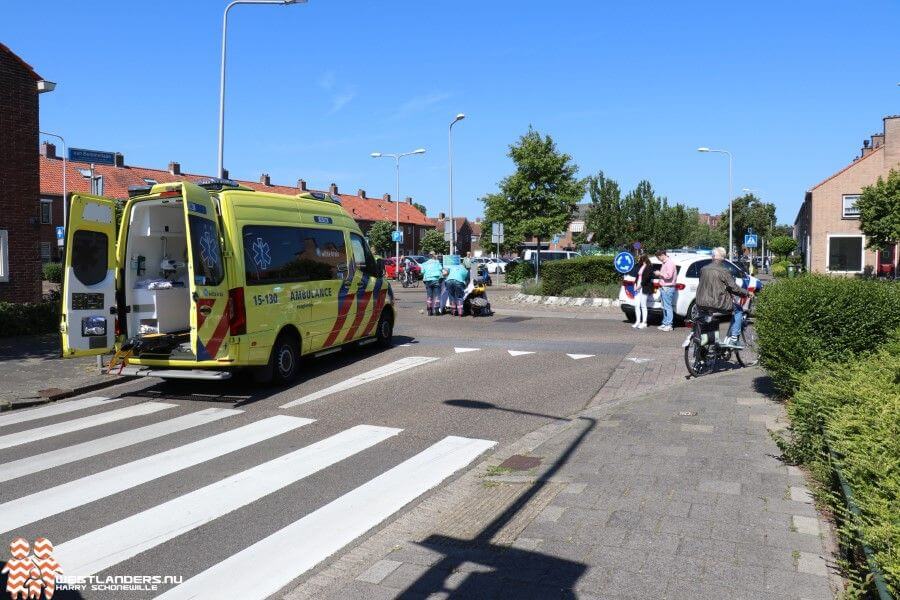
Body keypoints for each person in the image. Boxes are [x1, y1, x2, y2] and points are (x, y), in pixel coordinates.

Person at [695, 246, 753, 347]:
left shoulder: (703, 269)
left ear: (713, 257)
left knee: (706, 319)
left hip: (700, 302)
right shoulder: (724, 271)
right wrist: (747, 293)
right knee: (738, 310)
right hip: (717, 303)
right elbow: (734, 288)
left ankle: (708, 344)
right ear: (723, 258)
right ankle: (734, 338)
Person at [655, 249, 676, 332]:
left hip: (668, 287)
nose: (658, 259)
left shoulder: (669, 263)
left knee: (668, 307)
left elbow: (669, 276)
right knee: (664, 306)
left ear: (662, 255)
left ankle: (669, 324)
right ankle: (665, 323)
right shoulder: (664, 263)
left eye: (658, 257)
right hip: (664, 287)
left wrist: (659, 273)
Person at [632, 254, 653, 329]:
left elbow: (646, 279)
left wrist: (639, 286)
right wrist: (635, 284)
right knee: (636, 305)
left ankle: (644, 322)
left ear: (643, 259)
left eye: (639, 258)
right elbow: (638, 276)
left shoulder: (649, 267)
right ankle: (637, 321)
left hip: (644, 287)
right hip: (638, 287)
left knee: (643, 305)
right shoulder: (640, 266)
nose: (638, 259)